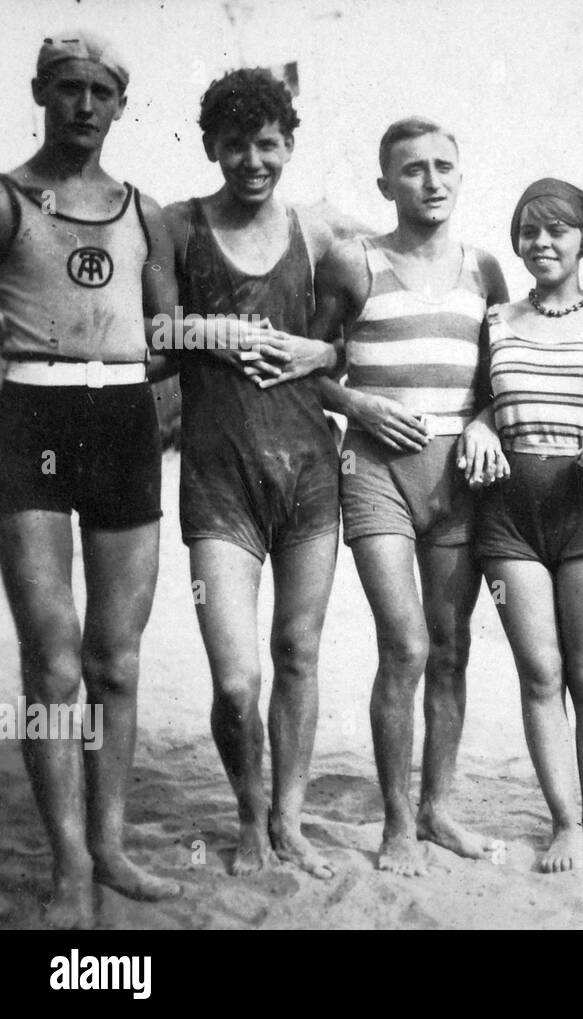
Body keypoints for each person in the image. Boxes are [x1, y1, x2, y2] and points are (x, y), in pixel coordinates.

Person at [0, 30, 182, 927]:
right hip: (29, 414)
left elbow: (169, 335)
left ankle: (108, 843)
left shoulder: (145, 209)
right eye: (67, 88)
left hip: (120, 420)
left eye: (99, 92)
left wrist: (164, 411)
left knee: (115, 656)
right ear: (40, 91)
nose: (83, 104)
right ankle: (68, 858)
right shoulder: (7, 198)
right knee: (52, 656)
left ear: (119, 104)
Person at [313, 118, 508, 876]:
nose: (431, 181)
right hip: (376, 472)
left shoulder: (485, 268)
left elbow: (503, 376)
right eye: (413, 169)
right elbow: (311, 362)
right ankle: (397, 821)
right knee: (406, 642)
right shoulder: (353, 262)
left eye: (444, 166)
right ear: (385, 184)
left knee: (451, 648)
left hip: (458, 478)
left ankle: (439, 808)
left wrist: (488, 422)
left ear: (461, 175)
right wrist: (357, 405)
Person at [163, 68, 341, 880]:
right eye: (233, 144)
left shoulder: (325, 231)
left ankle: (290, 818)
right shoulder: (176, 224)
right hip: (217, 480)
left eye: (267, 143)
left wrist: (326, 351)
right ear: (210, 147)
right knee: (237, 680)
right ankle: (247, 815)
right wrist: (216, 331)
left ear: (289, 143)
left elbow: (398, 292)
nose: (251, 159)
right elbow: (146, 328)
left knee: (298, 652)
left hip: (310, 475)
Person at [466, 178, 583, 871]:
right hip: (508, 513)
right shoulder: (497, 318)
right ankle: (564, 821)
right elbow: (478, 400)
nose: (541, 243)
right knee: (540, 672)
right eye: (529, 231)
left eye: (557, 230)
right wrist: (478, 428)